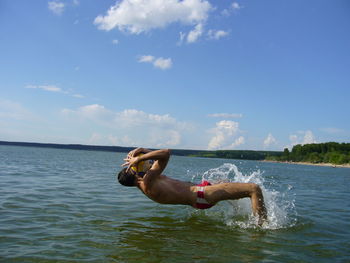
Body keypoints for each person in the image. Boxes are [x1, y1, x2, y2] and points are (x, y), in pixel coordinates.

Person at [118, 148, 267, 225]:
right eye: (134, 168)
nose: (138, 166)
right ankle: (261, 228)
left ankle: (244, 214)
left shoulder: (147, 182)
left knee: (225, 180)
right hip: (203, 194)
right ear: (135, 176)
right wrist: (141, 156)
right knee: (253, 189)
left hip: (200, 194)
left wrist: (142, 150)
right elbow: (165, 153)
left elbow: (158, 158)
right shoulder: (148, 181)